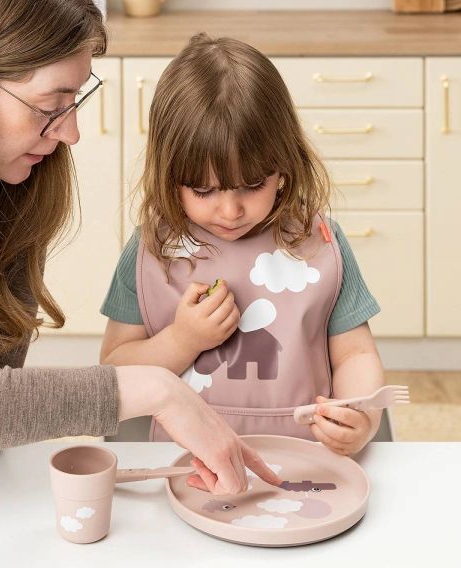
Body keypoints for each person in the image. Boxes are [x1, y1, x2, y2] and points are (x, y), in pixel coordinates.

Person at [0, 0, 280, 532]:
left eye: (75, 99)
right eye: (50, 104)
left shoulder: (5, 178)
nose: (72, 132)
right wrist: (154, 389)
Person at [100, 34, 385, 470]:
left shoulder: (320, 242)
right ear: (168, 174)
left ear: (284, 167)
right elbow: (114, 371)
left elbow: (356, 354)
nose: (230, 211)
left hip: (304, 458)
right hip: (181, 463)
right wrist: (182, 340)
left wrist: (360, 415)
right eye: (202, 189)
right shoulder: (151, 251)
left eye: (253, 185)